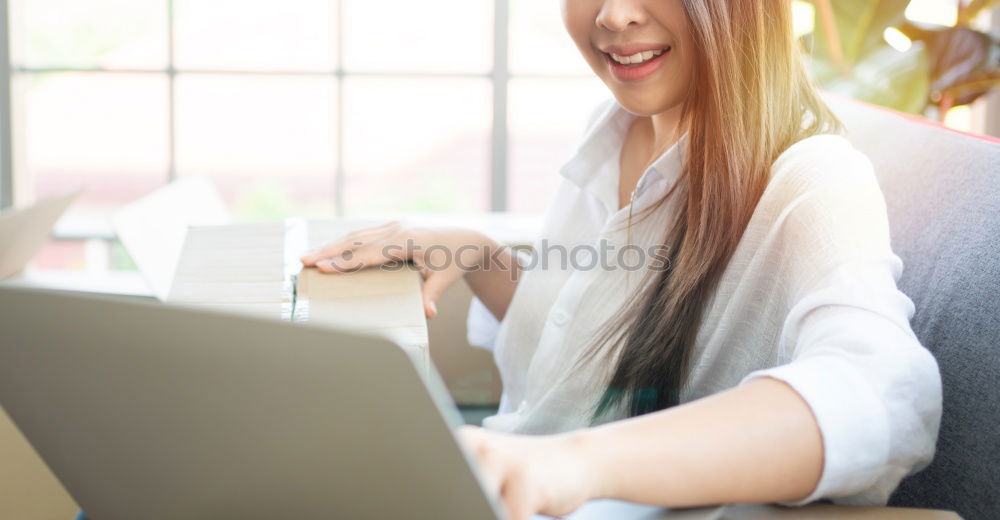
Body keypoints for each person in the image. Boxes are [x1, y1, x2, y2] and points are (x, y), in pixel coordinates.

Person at [304, 1, 943, 519]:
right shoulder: (616, 128)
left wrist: (575, 463)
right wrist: (477, 252)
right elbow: (580, 343)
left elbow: (881, 392)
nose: (613, 16)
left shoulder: (814, 176)